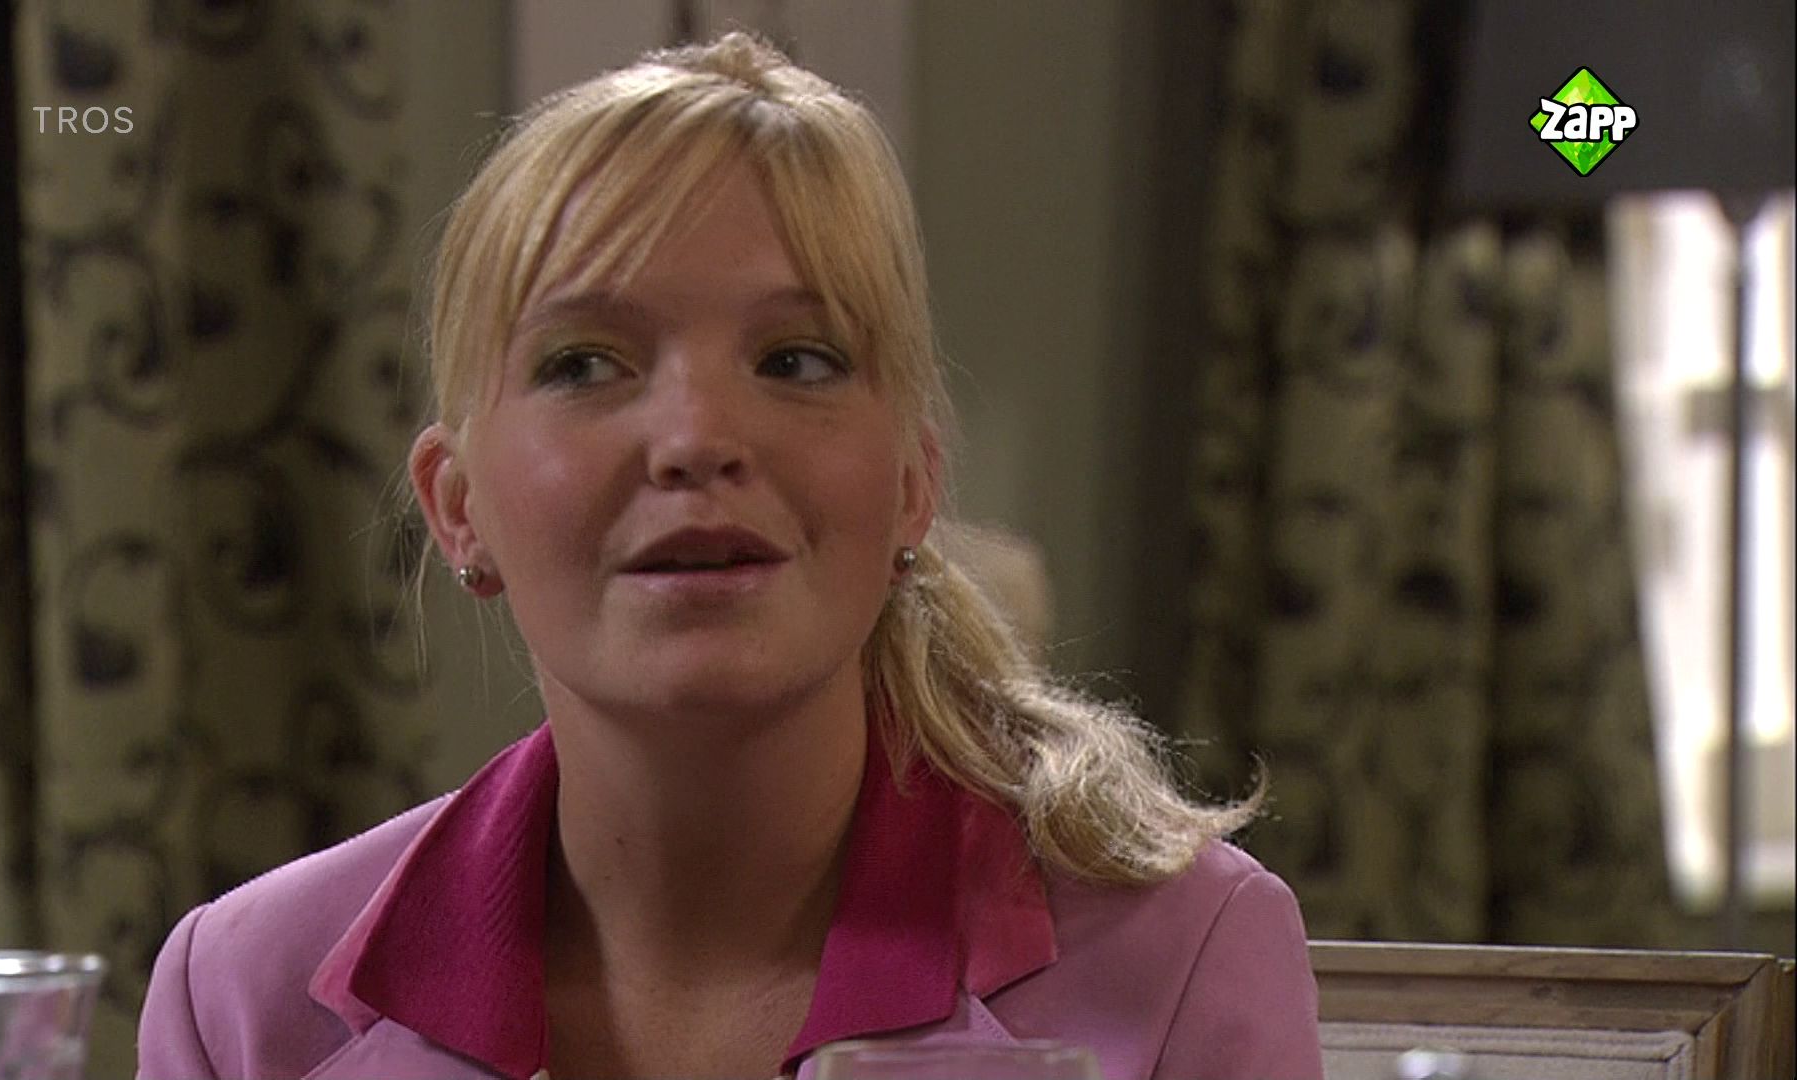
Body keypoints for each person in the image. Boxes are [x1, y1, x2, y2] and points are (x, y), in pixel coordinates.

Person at [137, 32, 1322, 1080]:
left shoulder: (1182, 960)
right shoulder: (239, 1000)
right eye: (585, 364)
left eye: (796, 360)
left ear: (913, 485)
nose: (698, 438)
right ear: (458, 507)